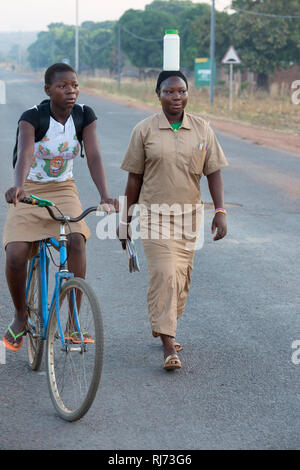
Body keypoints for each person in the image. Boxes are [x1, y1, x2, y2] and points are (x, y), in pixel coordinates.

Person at [3, 62, 119, 351]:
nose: (71, 91)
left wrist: (105, 195)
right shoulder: (33, 116)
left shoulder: (83, 116)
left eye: (74, 85)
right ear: (48, 90)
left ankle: (72, 324)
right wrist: (19, 186)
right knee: (16, 253)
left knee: (77, 240)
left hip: (64, 188)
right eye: (62, 86)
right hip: (29, 187)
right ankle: (20, 317)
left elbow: (93, 156)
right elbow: (26, 153)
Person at [118, 70, 228, 371]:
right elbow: (133, 180)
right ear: (158, 95)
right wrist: (124, 220)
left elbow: (213, 172)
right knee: (165, 274)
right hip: (154, 215)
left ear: (188, 94)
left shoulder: (203, 129)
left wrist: (220, 211)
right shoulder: (144, 130)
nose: (176, 97)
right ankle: (168, 344)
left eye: (181, 91)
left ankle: (165, 323)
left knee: (180, 280)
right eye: (169, 92)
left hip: (190, 217)